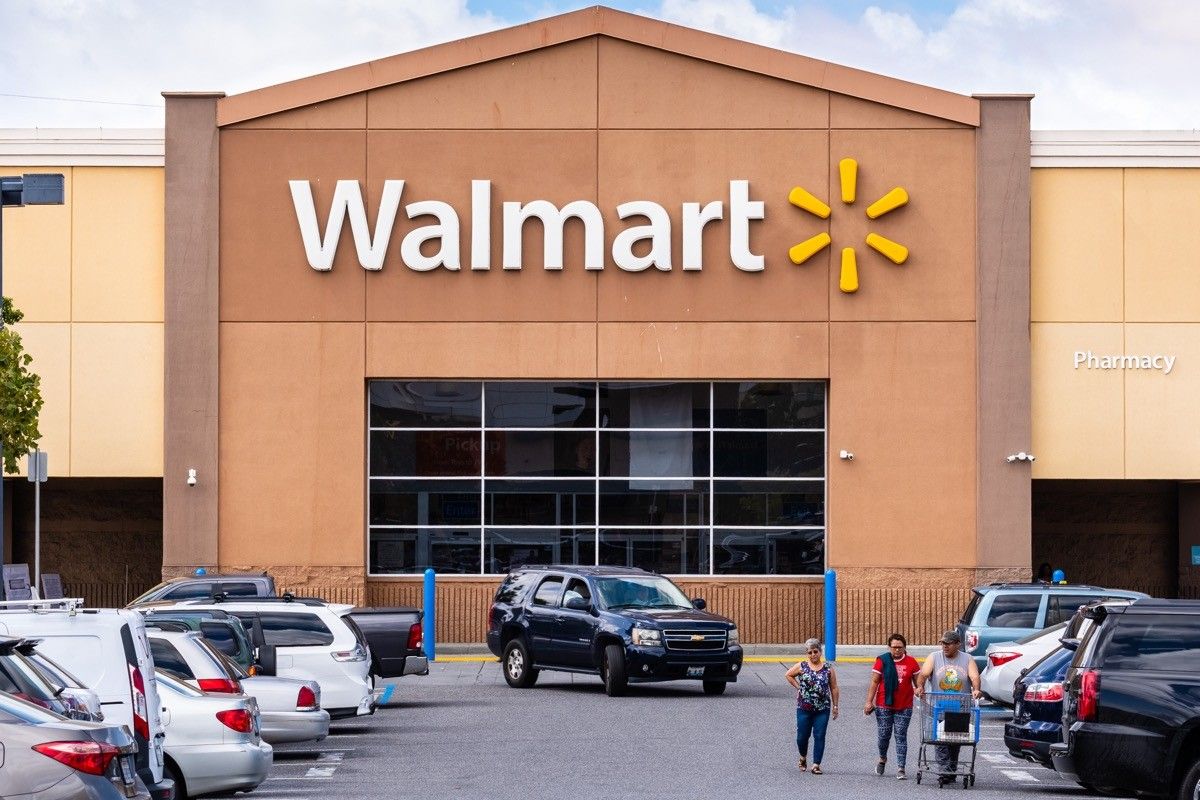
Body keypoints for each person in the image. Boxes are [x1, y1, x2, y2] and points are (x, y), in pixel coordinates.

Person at [915, 630, 981, 786]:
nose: (945, 646)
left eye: (948, 643)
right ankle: (945, 770)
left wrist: (976, 689)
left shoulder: (967, 659)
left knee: (954, 742)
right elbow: (923, 674)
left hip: (959, 709)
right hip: (936, 707)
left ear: (957, 644)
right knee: (939, 740)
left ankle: (950, 771)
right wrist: (919, 686)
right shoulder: (934, 657)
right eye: (943, 643)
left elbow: (974, 677)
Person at [864, 633, 920, 779]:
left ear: (904, 648)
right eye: (894, 647)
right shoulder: (882, 661)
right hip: (884, 705)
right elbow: (875, 682)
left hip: (905, 705)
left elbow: (918, 682)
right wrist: (869, 701)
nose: (896, 650)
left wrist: (919, 688)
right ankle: (882, 758)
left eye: (899, 648)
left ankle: (901, 768)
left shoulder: (911, 662)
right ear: (889, 647)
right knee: (883, 736)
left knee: (901, 736)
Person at [786, 638, 839, 775]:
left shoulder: (828, 668)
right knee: (802, 736)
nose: (813, 655)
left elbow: (834, 688)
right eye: (810, 652)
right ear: (806, 654)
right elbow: (788, 675)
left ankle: (816, 764)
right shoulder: (802, 666)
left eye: (815, 651)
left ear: (820, 652)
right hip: (804, 708)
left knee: (820, 735)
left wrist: (835, 706)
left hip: (822, 709)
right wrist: (798, 688)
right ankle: (803, 757)